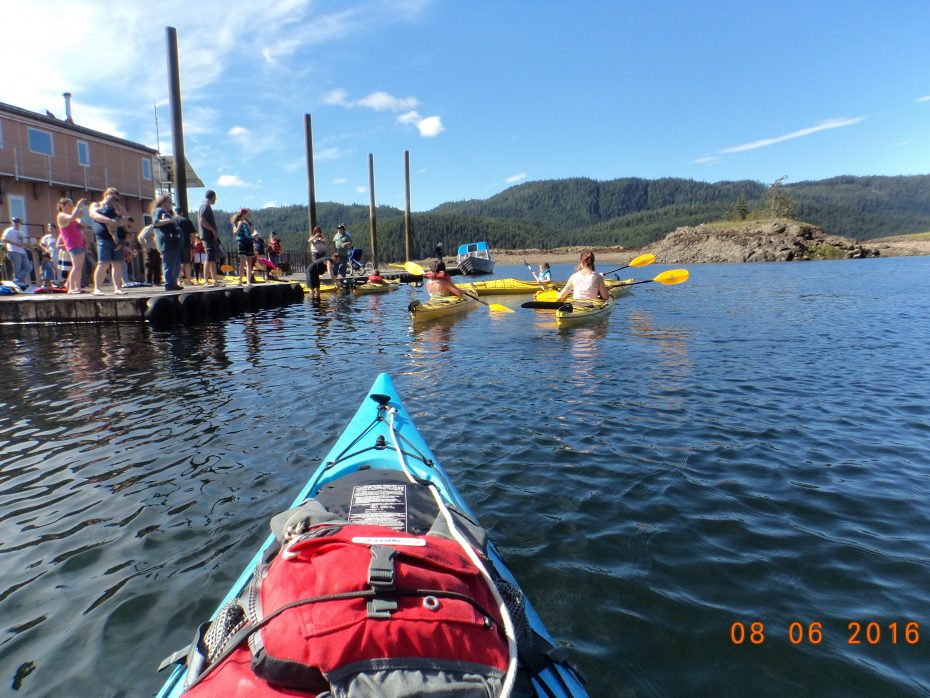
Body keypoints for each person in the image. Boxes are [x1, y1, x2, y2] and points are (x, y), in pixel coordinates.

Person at [88, 187, 125, 295]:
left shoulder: (118, 208)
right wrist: (109, 221)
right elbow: (94, 215)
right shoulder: (96, 205)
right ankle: (97, 288)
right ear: (107, 194)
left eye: (117, 199)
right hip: (103, 237)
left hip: (118, 238)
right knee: (103, 263)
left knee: (117, 264)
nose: (115, 201)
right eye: (113, 197)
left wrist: (117, 221)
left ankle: (118, 288)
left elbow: (125, 219)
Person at [151, 193, 183, 291]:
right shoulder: (159, 210)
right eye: (169, 202)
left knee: (176, 264)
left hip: (173, 242)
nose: (170, 204)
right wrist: (170, 221)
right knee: (169, 264)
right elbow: (156, 223)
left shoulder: (167, 212)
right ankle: (169, 283)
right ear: (163, 202)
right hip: (166, 242)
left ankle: (173, 283)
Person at [56, 198, 87, 293]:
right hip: (73, 245)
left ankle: (77, 287)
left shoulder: (71, 217)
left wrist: (80, 216)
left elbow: (83, 226)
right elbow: (71, 218)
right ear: (62, 206)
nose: (71, 207)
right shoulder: (61, 215)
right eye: (69, 205)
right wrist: (78, 206)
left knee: (79, 267)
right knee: (76, 266)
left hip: (79, 244)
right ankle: (71, 288)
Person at [1, 217, 33, 289]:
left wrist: (27, 245)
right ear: (13, 223)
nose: (16, 224)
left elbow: (23, 243)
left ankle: (16, 281)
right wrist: (15, 243)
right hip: (13, 251)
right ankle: (17, 284)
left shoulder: (21, 232)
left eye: (18, 222)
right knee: (17, 269)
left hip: (22, 251)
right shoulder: (9, 230)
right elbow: (3, 239)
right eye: (15, 222)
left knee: (28, 268)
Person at [198, 190, 220, 286]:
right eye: (215, 197)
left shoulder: (205, 205)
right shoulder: (205, 206)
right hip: (207, 236)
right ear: (212, 196)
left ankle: (214, 280)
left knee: (212, 257)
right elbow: (202, 220)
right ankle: (206, 280)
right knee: (208, 256)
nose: (215, 199)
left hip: (208, 235)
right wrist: (213, 230)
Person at [232, 208, 255, 286]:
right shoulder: (236, 222)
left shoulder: (248, 222)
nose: (247, 215)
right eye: (246, 214)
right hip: (241, 242)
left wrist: (247, 224)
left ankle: (248, 281)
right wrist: (240, 225)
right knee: (242, 262)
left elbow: (252, 231)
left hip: (249, 242)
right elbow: (235, 233)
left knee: (249, 263)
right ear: (243, 214)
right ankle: (240, 281)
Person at [175, 207, 197, 287]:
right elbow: (192, 234)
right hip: (186, 244)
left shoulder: (172, 220)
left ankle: (178, 281)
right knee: (187, 263)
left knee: (177, 263)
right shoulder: (186, 220)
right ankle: (188, 281)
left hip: (175, 245)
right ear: (181, 213)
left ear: (175, 213)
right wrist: (193, 244)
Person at [38, 224, 59, 289]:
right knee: (51, 268)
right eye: (50, 228)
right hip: (50, 254)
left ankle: (57, 281)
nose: (51, 230)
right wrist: (46, 249)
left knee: (57, 268)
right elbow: (41, 244)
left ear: (55, 229)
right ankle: (51, 282)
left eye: (52, 228)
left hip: (58, 254)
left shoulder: (58, 237)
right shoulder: (47, 237)